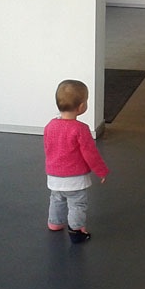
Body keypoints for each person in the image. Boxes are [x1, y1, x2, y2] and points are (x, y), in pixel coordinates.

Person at [44, 79, 110, 243]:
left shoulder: (50, 126)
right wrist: (101, 171)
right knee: (77, 204)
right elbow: (90, 154)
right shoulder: (80, 129)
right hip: (75, 179)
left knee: (56, 199)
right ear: (81, 107)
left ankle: (54, 223)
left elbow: (48, 148)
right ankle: (76, 230)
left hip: (54, 176)